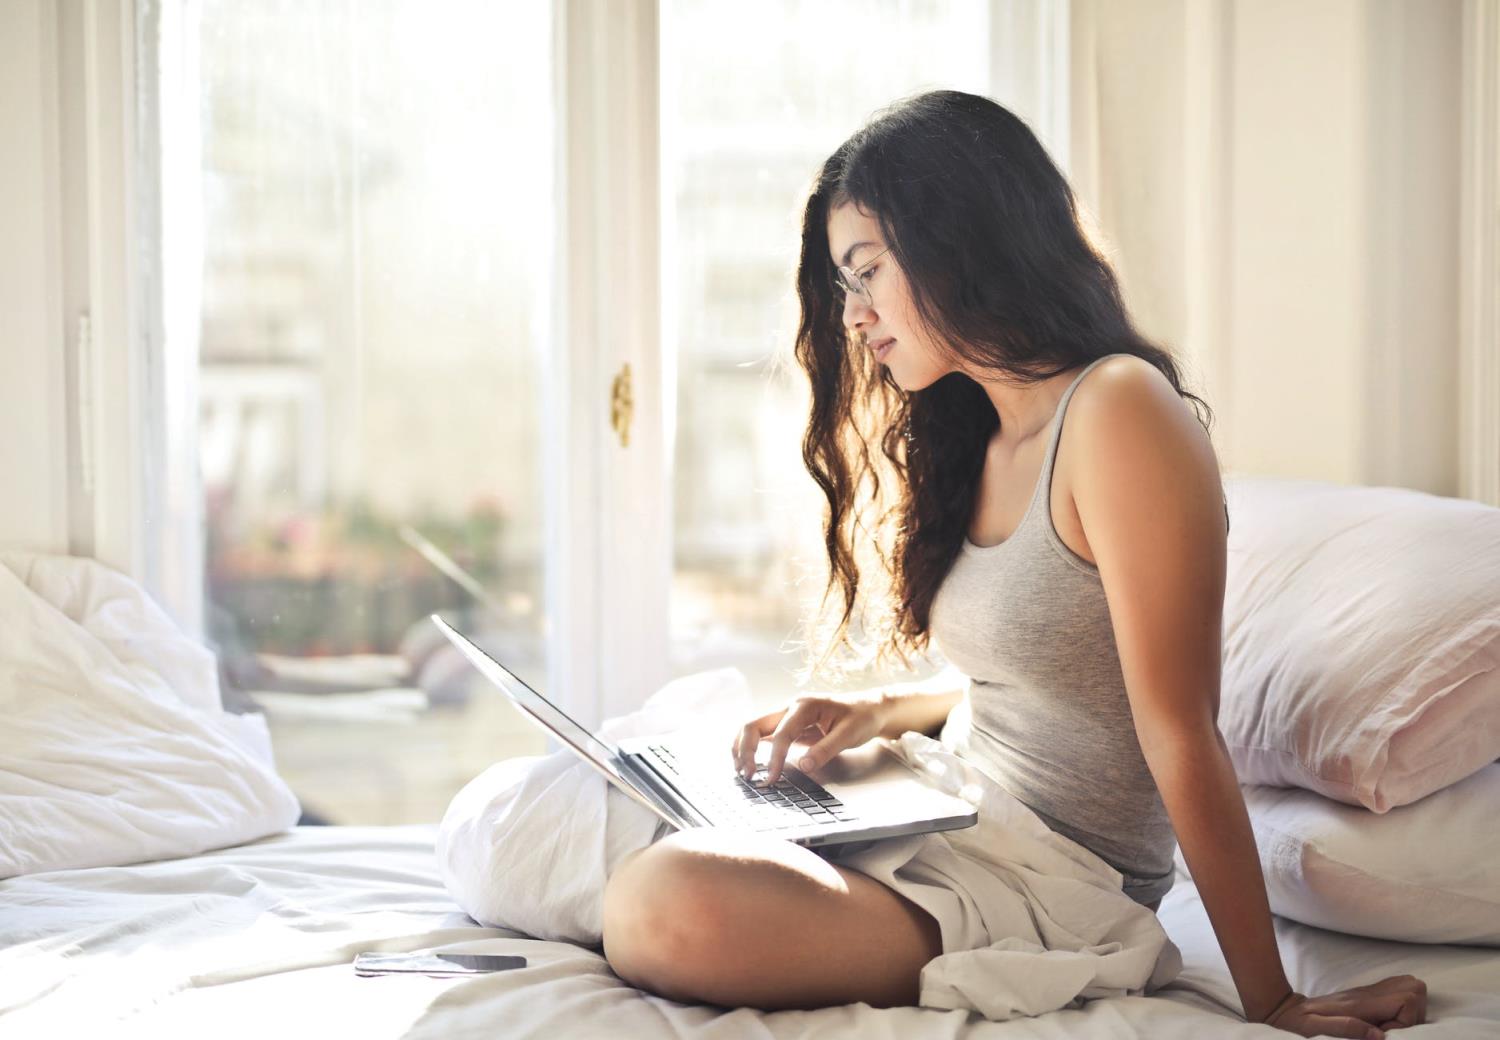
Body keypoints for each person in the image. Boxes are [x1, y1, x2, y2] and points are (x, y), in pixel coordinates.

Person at [600, 90, 1427, 1038]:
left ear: (957, 240)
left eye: (867, 272)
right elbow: (1038, 683)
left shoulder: (1119, 411)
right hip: (949, 811)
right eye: (844, 285)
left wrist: (1272, 1000)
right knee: (581, 802)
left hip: (1055, 882)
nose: (857, 315)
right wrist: (875, 710)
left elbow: (1178, 731)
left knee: (664, 902)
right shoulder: (982, 435)